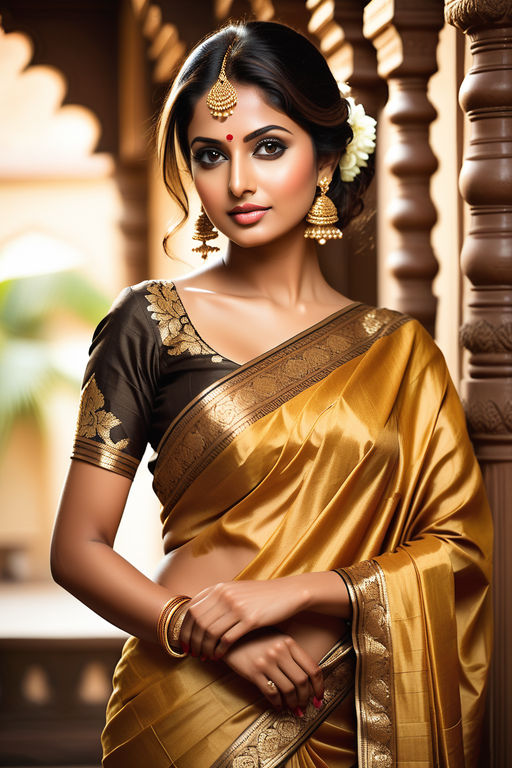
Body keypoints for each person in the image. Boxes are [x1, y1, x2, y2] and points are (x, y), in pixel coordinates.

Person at [51, 20, 492, 768]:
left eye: (269, 146)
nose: (239, 182)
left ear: (324, 158)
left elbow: (458, 552)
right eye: (209, 155)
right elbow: (77, 548)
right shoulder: (148, 322)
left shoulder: (401, 351)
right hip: (184, 703)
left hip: (351, 711)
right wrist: (204, 633)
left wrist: (300, 593)